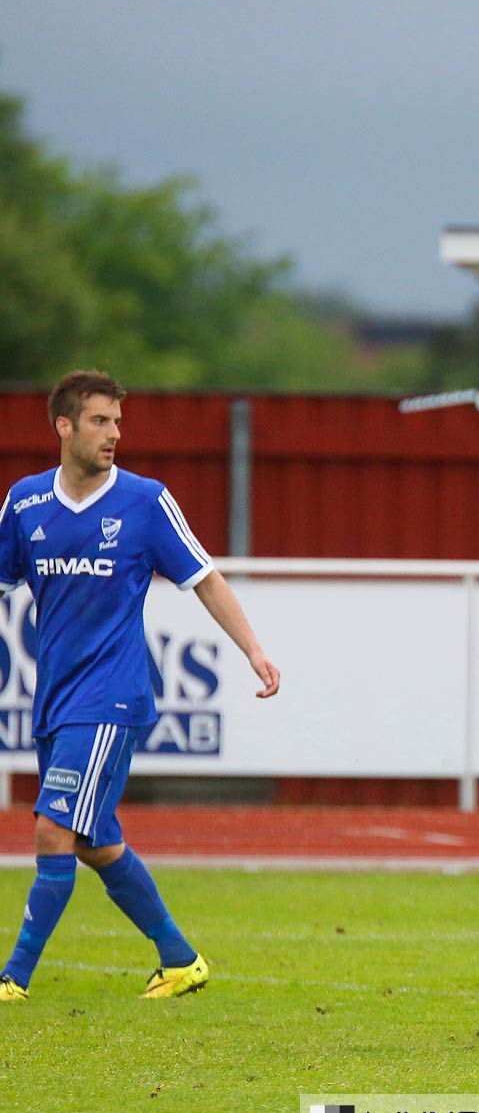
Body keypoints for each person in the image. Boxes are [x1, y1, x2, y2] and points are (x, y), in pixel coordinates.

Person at [0, 371, 280, 1002]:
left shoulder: (145, 502)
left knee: (52, 828)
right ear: (64, 427)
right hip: (55, 701)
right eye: (100, 421)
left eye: (118, 422)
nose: (114, 434)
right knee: (97, 842)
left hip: (113, 696)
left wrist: (254, 650)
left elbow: (205, 578)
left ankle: (12, 978)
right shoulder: (24, 503)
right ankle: (180, 960)